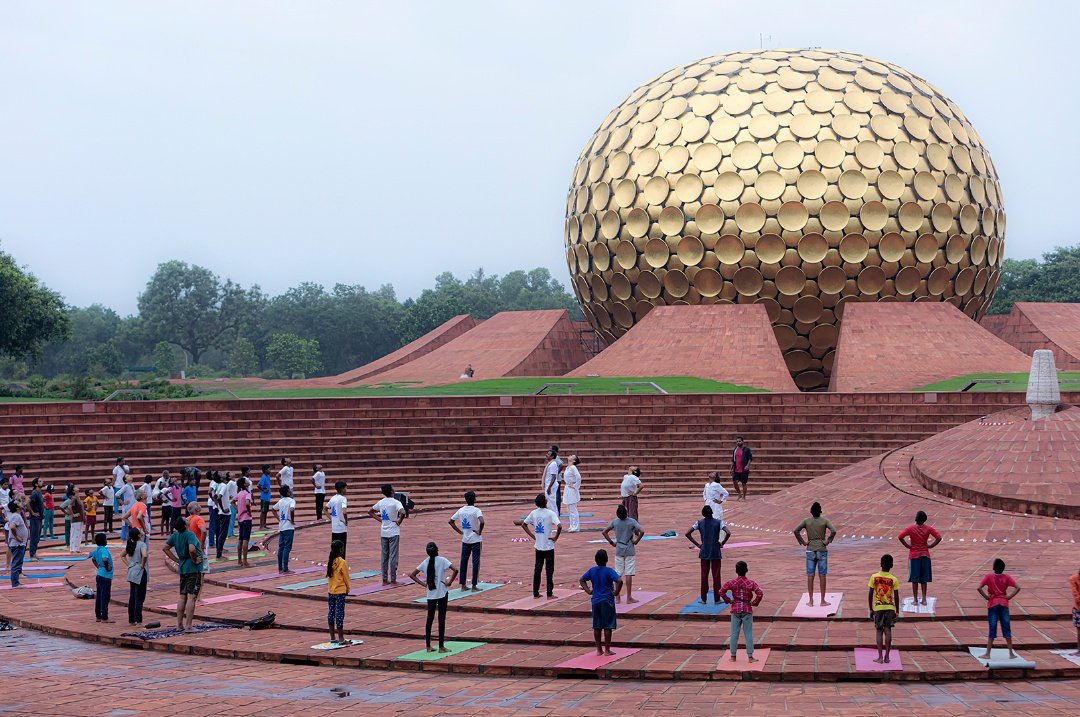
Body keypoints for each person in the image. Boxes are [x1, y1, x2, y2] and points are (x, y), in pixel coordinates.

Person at [409, 541, 458, 653]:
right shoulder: (442, 560)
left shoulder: (425, 562)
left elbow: (412, 575)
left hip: (430, 593)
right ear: (437, 550)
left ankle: (428, 646)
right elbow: (455, 570)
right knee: (441, 619)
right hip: (442, 592)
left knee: (429, 619)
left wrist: (423, 584)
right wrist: (449, 582)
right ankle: (441, 647)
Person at [163, 516, 204, 632]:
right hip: (193, 569)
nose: (187, 519)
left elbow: (165, 548)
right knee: (191, 597)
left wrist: (177, 560)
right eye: (185, 520)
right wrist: (195, 559)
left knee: (182, 597)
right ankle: (189, 626)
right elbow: (192, 549)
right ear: (185, 525)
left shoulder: (176, 535)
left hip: (183, 568)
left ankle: (179, 625)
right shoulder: (190, 534)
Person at [516, 493, 562, 599]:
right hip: (548, 546)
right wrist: (555, 537)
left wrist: (533, 536)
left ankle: (535, 592)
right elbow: (559, 526)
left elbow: (524, 524)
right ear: (545, 502)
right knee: (549, 570)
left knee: (537, 569)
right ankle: (549, 593)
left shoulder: (534, 513)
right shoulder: (550, 513)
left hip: (538, 546)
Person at [793, 502, 837, 607]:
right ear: (820, 511)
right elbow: (834, 531)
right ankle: (822, 600)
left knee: (810, 575)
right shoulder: (825, 521)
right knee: (822, 575)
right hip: (822, 549)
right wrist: (828, 540)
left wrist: (803, 542)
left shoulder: (807, 521)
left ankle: (811, 600)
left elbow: (796, 530)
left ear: (811, 512)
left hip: (810, 549)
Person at [580, 549, 623, 656]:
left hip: (595, 600)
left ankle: (599, 649)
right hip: (607, 600)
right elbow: (620, 581)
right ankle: (607, 649)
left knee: (597, 625)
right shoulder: (609, 571)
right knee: (608, 625)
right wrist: (616, 592)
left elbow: (582, 580)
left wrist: (589, 591)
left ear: (595, 560)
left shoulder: (592, 570)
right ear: (607, 560)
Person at [720, 560, 764, 663]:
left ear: (736, 571)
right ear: (746, 570)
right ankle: (750, 656)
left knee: (734, 633)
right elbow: (760, 593)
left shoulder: (732, 582)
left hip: (735, 609)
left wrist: (728, 600)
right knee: (748, 634)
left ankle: (733, 656)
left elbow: (721, 591)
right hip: (747, 609)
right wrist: (754, 602)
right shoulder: (750, 583)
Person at [686, 505, 730, 604]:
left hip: (704, 551)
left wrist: (698, 544)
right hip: (715, 551)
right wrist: (722, 543)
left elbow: (687, 533)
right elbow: (728, 532)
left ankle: (703, 598)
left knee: (704, 576)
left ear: (703, 514)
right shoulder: (719, 522)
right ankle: (717, 599)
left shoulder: (699, 523)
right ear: (712, 513)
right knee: (716, 576)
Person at [978, 558, 1020, 659]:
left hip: (993, 603)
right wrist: (1009, 597)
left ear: (993, 567)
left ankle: (988, 653)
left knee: (992, 627)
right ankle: (1011, 653)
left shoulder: (988, 577)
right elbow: (1017, 587)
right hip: (1004, 603)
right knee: (1006, 627)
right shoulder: (1006, 577)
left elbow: (979, 587)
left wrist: (986, 597)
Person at [898, 510, 942, 606]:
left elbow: (900, 536)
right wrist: (930, 546)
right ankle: (924, 599)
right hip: (925, 555)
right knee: (924, 579)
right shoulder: (928, 529)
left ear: (916, 519)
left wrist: (908, 546)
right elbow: (939, 537)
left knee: (914, 579)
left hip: (914, 555)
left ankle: (915, 600)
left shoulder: (910, 529)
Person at [602, 504, 644, 603]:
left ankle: (617, 597)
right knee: (628, 573)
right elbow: (642, 531)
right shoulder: (631, 521)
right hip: (629, 548)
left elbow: (604, 532)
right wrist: (636, 540)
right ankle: (629, 597)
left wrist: (611, 542)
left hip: (619, 548)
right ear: (626, 513)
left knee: (618, 573)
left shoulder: (615, 522)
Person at [868, 553, 901, 664]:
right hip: (890, 607)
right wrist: (897, 611)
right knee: (888, 630)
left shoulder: (874, 577)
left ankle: (880, 657)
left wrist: (871, 609)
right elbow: (896, 596)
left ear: (880, 564)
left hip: (878, 607)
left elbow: (870, 593)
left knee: (879, 630)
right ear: (891, 565)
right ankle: (887, 657)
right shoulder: (894, 579)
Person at [370, 484, 405, 584]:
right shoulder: (396, 502)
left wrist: (381, 520)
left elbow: (371, 511)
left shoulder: (381, 502)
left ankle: (384, 579)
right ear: (391, 491)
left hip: (384, 531)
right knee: (393, 556)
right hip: (394, 531)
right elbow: (403, 511)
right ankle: (393, 579)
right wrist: (399, 521)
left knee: (384, 556)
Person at [449, 491, 484, 590]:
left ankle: (463, 585)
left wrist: (460, 532)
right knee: (475, 561)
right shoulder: (476, 510)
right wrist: (479, 531)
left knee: (463, 561)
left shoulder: (461, 510)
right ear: (474, 499)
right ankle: (474, 585)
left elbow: (451, 521)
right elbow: (482, 521)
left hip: (465, 539)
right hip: (476, 539)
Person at [326, 539, 351, 645]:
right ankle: (341, 639)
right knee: (340, 614)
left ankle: (332, 637)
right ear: (341, 549)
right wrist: (348, 589)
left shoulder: (330, 561)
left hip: (331, 591)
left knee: (331, 613)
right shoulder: (342, 562)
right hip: (340, 591)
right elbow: (346, 577)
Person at [123, 527, 149, 626]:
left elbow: (122, 555)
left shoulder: (130, 544)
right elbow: (145, 555)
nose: (142, 531)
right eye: (140, 531)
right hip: (140, 572)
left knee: (132, 596)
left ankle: (131, 619)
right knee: (140, 597)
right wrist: (142, 564)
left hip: (132, 571)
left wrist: (129, 564)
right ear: (138, 535)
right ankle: (139, 620)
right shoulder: (142, 544)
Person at [90, 532, 114, 623]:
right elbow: (105, 559)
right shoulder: (104, 550)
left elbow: (93, 559)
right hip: (106, 576)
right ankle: (104, 617)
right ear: (104, 541)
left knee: (99, 595)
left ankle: (98, 616)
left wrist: (98, 567)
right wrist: (107, 567)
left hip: (99, 574)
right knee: (105, 596)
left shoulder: (96, 550)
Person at [4, 501, 27, 587]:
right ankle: (15, 583)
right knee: (16, 563)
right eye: (18, 503)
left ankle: (16, 582)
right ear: (17, 507)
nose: (21, 503)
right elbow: (12, 527)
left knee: (17, 562)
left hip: (18, 544)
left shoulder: (15, 516)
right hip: (17, 544)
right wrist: (17, 537)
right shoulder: (16, 516)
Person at [274, 486, 297, 574]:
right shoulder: (291, 500)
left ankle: (280, 568)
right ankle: (286, 568)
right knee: (287, 548)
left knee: (281, 547)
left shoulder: (281, 501)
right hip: (288, 527)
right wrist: (292, 519)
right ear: (288, 492)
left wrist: (279, 519)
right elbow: (292, 509)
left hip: (281, 526)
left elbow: (273, 509)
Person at [212, 472, 232, 559]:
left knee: (221, 533)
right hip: (225, 513)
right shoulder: (223, 485)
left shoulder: (220, 485)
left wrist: (218, 506)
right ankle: (219, 554)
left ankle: (219, 552)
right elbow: (218, 497)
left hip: (222, 512)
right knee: (223, 534)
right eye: (221, 474)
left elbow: (215, 497)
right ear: (220, 478)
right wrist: (223, 509)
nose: (223, 474)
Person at [235, 477, 254, 566]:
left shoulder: (239, 493)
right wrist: (249, 512)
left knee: (240, 539)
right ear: (244, 484)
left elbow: (232, 501)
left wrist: (238, 510)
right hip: (246, 518)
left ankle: (239, 560)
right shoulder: (247, 493)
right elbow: (247, 503)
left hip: (240, 519)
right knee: (246, 539)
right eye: (246, 481)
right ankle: (245, 561)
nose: (248, 482)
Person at [328, 481, 349, 556]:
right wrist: (346, 520)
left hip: (334, 527)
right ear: (342, 489)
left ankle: (334, 564)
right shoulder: (343, 499)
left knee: (334, 548)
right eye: (345, 488)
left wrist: (331, 518)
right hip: (341, 527)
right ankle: (341, 565)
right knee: (342, 548)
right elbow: (344, 511)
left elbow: (325, 508)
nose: (346, 490)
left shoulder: (333, 498)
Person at [562, 455, 583, 532]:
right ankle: (572, 525)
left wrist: (575, 485)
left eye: (572, 456)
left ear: (574, 460)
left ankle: (576, 527)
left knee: (573, 509)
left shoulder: (573, 468)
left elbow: (578, 477)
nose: (569, 456)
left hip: (571, 489)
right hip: (567, 488)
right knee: (569, 509)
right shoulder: (568, 467)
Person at [730, 436, 753, 501]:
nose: (738, 442)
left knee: (744, 483)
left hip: (744, 469)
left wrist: (747, 466)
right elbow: (733, 460)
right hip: (736, 469)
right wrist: (731, 469)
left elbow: (750, 458)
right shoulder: (735, 450)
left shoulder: (747, 449)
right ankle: (739, 494)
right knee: (735, 482)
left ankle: (744, 497)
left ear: (742, 442)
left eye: (739, 441)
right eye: (737, 441)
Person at [115, 474, 135, 543]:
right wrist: (122, 502)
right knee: (128, 522)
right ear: (125, 480)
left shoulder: (132, 485)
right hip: (128, 507)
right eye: (127, 476)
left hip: (133, 506)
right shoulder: (125, 486)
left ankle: (132, 537)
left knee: (132, 521)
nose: (130, 476)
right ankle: (127, 538)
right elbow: (117, 494)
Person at [27, 479, 44, 559]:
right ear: (36, 484)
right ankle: (32, 554)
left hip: (39, 517)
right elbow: (28, 502)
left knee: (37, 536)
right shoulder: (34, 493)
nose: (42, 482)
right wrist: (32, 512)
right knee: (34, 536)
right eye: (40, 481)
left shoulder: (39, 493)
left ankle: (34, 553)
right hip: (35, 518)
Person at [542, 448, 561, 517]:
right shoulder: (550, 464)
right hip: (549, 485)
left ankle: (554, 518)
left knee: (551, 503)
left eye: (549, 454)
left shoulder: (553, 464)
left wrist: (549, 487)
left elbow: (554, 477)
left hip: (551, 486)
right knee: (549, 502)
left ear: (552, 456)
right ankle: (552, 517)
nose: (546, 455)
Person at [67, 484, 85, 554]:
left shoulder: (78, 497)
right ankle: (73, 549)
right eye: (75, 487)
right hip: (76, 519)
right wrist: (73, 514)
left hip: (80, 518)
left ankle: (77, 548)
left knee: (79, 533)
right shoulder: (74, 498)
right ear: (73, 490)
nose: (77, 488)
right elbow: (69, 506)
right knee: (75, 533)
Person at [1069, 566, 1080, 656]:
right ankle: (1079, 650)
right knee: (1079, 630)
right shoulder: (1074, 579)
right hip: (1078, 608)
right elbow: (1076, 594)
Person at [258, 465, 272, 530]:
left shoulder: (268, 476)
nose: (270, 470)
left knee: (265, 511)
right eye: (269, 469)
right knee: (263, 511)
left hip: (268, 497)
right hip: (264, 497)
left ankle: (264, 524)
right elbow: (259, 485)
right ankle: (261, 526)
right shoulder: (263, 477)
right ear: (265, 470)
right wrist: (263, 490)